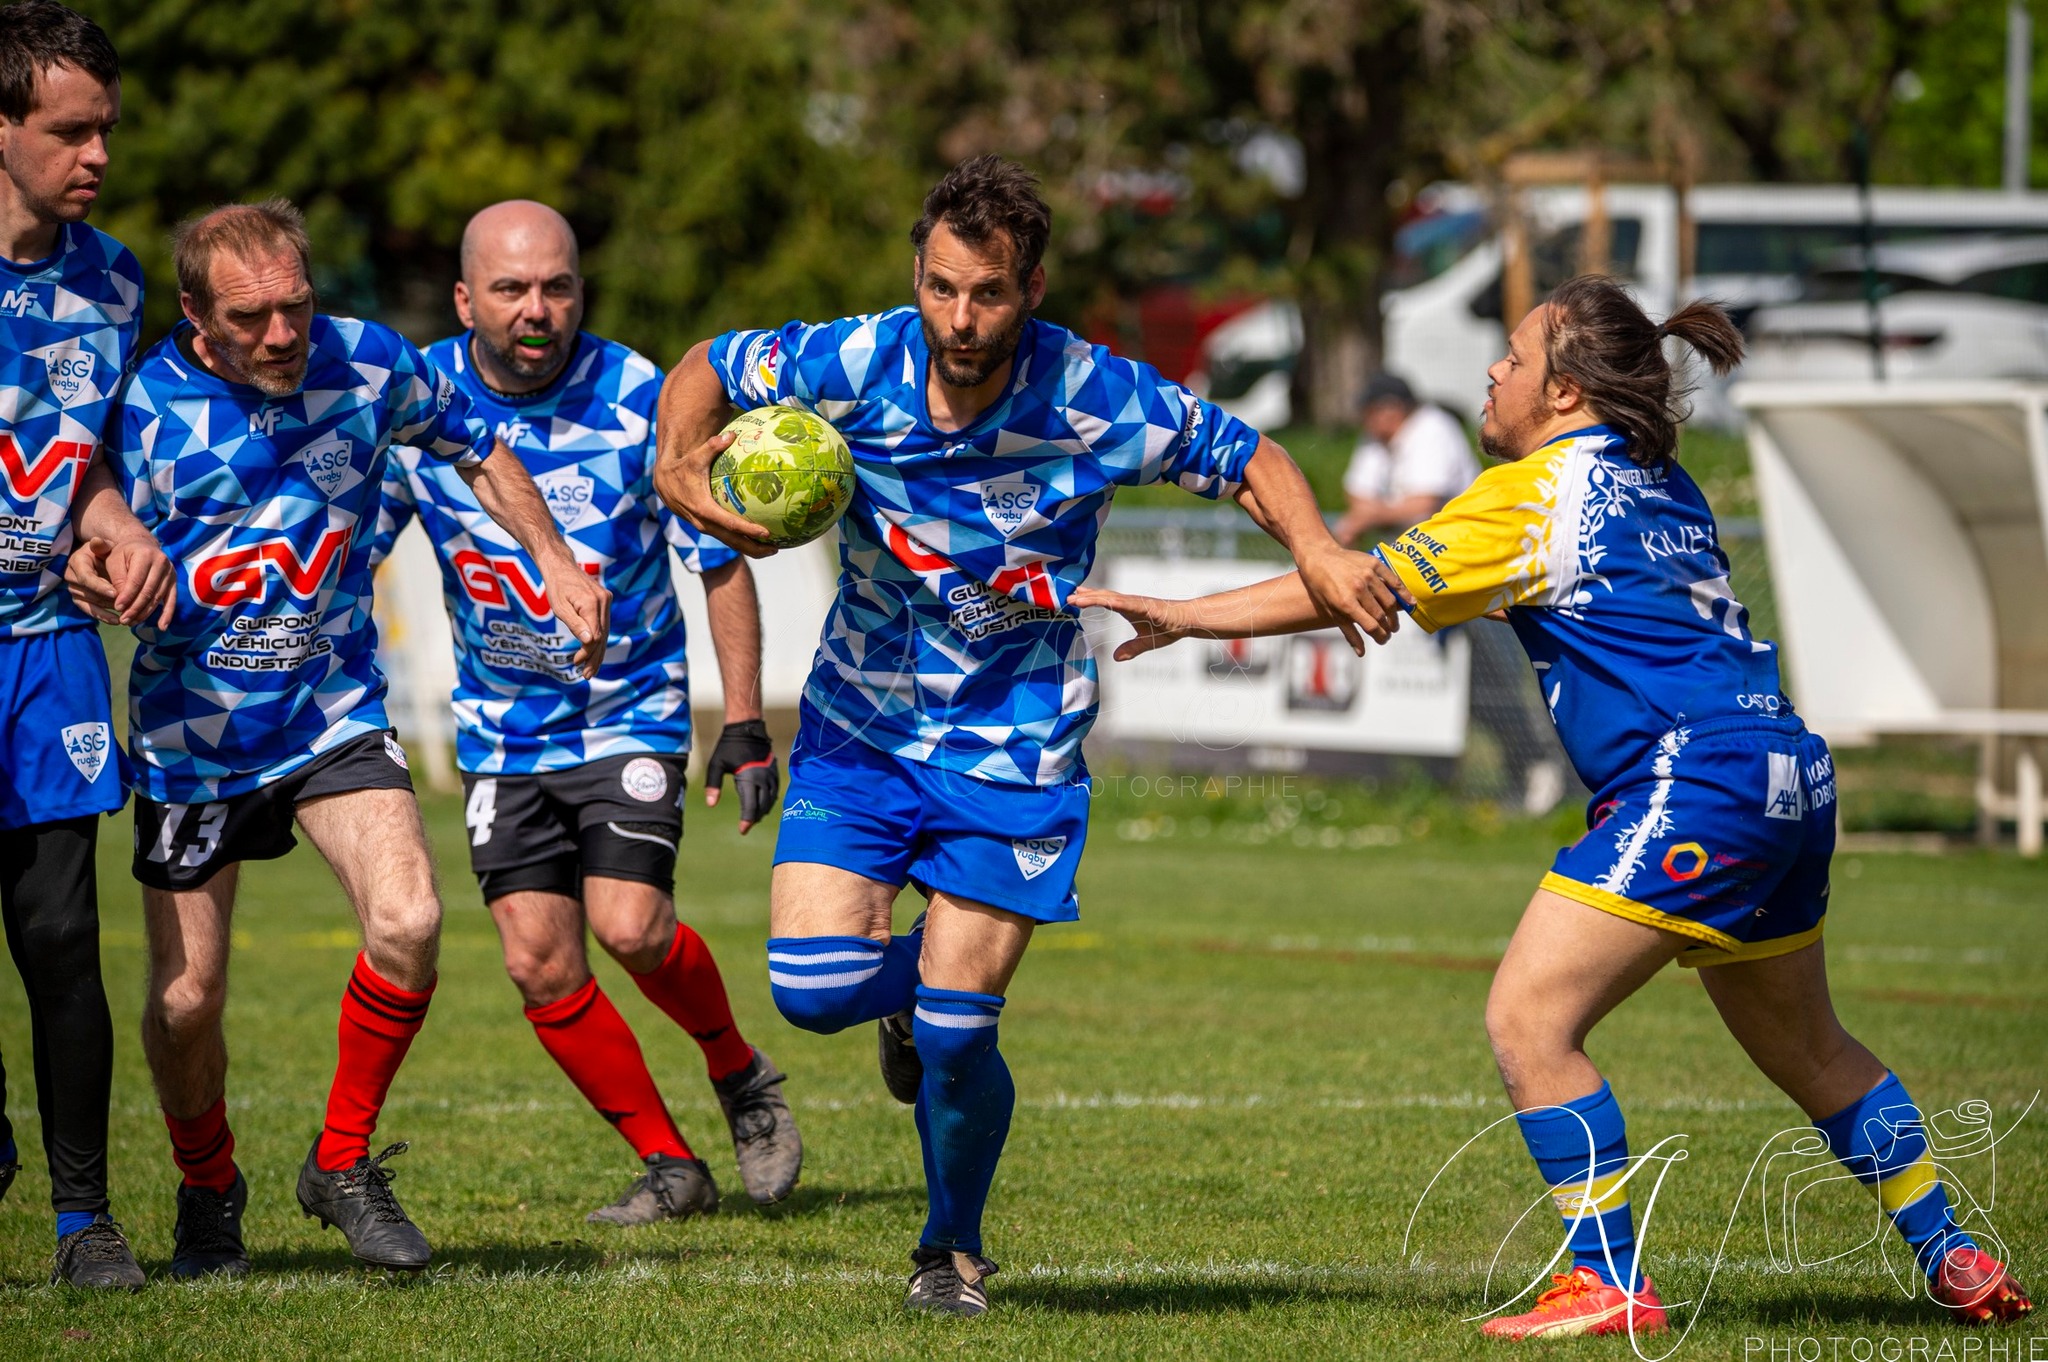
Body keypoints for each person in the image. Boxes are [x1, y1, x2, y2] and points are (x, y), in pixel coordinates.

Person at [1074, 276, 2033, 1338]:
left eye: (1513, 356)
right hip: (1785, 775)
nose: (1490, 372)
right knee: (1810, 1051)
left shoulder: (1537, 493)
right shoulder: (1658, 479)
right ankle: (1952, 1253)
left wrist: (1181, 612)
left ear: (1565, 392)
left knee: (1529, 1021)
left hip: (1695, 783)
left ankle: (1606, 1283)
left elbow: (1360, 589)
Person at [653, 154, 1402, 1318]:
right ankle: (909, 993)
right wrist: (676, 460)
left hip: (1014, 746)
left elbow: (1247, 456)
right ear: (917, 270)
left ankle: (948, 1250)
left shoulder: (1095, 398)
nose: (960, 317)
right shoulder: (853, 360)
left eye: (987, 293)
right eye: (941, 287)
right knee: (809, 990)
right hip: (862, 725)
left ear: (1032, 287)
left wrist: (1313, 548)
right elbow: (706, 366)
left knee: (959, 1032)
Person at [68, 197, 609, 1279]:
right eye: (251, 317)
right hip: (193, 740)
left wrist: (550, 553)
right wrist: (102, 551)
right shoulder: (136, 398)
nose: (281, 336)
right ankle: (208, 1184)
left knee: (409, 918)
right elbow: (80, 497)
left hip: (333, 713)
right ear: (193, 314)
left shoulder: (369, 364)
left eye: (296, 308)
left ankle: (342, 1161)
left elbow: (478, 443)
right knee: (185, 1002)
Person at [371, 200, 800, 1222]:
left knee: (632, 926)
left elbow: (717, 561)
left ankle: (741, 1077)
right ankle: (670, 1165)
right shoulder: (421, 404)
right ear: (467, 297)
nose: (537, 309)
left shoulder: (643, 396)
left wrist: (741, 719)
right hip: (497, 728)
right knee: (535, 959)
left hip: (627, 711)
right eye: (512, 290)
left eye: (557, 286)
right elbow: (359, 543)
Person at [0, 0, 174, 1290]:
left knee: (61, 938)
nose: (96, 154)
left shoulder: (110, 277)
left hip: (52, 646)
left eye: (105, 129)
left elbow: (94, 447)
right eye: (69, 131)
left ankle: (83, 1222)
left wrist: (108, 518)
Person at [1329, 372, 1477, 548]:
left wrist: (1369, 516)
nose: (1364, 418)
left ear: (1393, 408)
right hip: (1410, 544)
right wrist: (1365, 517)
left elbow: (1424, 504)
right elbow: (1356, 492)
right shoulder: (1376, 434)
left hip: (1452, 543)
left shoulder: (1433, 428)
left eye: (1369, 410)